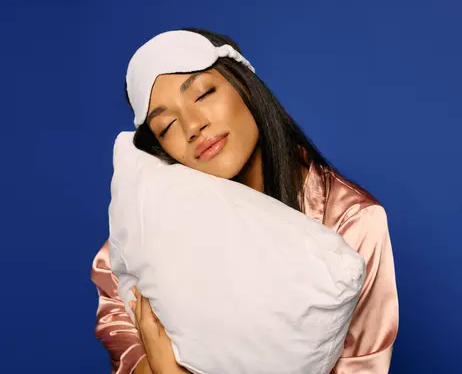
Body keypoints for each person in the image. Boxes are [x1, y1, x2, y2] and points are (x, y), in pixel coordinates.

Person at [91, 28, 399, 374]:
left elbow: (361, 365)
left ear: (245, 86)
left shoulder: (351, 221)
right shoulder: (156, 221)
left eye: (204, 93)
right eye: (167, 126)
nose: (193, 126)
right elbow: (119, 311)